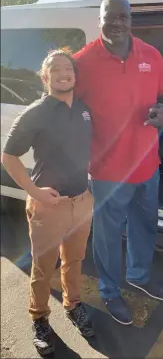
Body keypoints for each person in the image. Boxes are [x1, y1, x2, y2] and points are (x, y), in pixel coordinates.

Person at [73, 0, 163, 325]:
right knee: (107, 234)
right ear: (99, 18)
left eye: (124, 16)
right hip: (108, 170)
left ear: (131, 19)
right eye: (110, 16)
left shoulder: (151, 54)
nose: (117, 22)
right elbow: (62, 108)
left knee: (144, 226)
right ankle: (109, 290)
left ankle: (139, 275)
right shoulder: (82, 62)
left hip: (147, 164)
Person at [1, 49, 94, 356]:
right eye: (55, 68)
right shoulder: (35, 113)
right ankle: (40, 319)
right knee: (43, 268)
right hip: (49, 207)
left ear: (75, 74)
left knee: (75, 261)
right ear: (45, 77)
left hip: (82, 202)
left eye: (68, 68)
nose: (63, 72)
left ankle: (73, 304)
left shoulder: (83, 109)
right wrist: (36, 193)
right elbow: (8, 156)